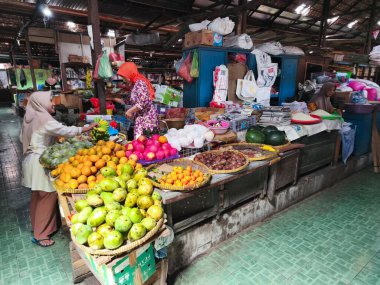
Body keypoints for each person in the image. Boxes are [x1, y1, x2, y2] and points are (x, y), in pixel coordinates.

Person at [20, 91, 97, 247]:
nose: (53, 103)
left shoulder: (31, 117)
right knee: (48, 197)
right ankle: (41, 235)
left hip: (31, 159)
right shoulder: (44, 119)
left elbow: (23, 138)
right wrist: (86, 128)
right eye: (50, 101)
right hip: (40, 162)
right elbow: (65, 131)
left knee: (38, 196)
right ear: (41, 103)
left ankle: (37, 228)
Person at [117, 62, 159, 139]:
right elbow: (130, 101)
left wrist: (130, 111)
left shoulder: (139, 83)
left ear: (129, 73)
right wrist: (113, 98)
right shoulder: (134, 84)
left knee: (146, 145)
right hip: (141, 119)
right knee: (139, 145)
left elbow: (144, 101)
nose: (124, 79)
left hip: (146, 119)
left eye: (124, 76)